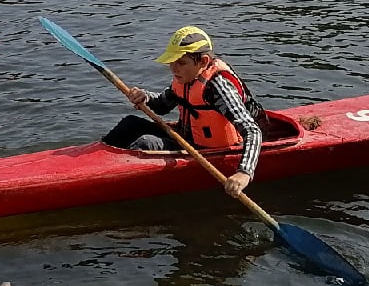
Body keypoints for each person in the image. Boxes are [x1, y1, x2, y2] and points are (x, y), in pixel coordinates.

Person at [101, 26, 264, 196]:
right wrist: (145, 97)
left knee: (146, 143)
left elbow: (253, 131)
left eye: (181, 62)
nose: (173, 68)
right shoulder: (186, 77)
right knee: (130, 123)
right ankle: (97, 164)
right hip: (188, 138)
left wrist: (244, 173)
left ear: (203, 62)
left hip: (211, 149)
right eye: (172, 62)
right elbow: (162, 105)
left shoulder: (218, 88)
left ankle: (107, 183)